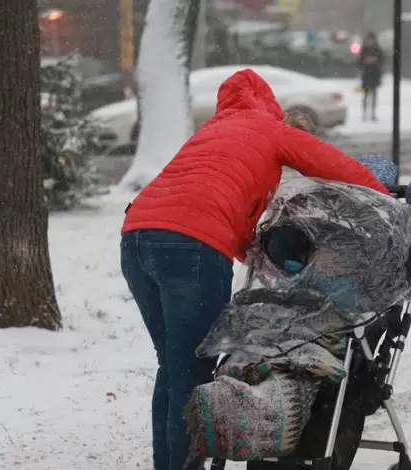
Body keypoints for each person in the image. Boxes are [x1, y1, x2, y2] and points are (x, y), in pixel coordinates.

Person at [120, 68, 389, 470]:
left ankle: (169, 464)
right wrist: (386, 200)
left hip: (136, 237)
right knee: (191, 369)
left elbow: (216, 203)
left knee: (173, 365)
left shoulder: (211, 132)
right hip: (191, 246)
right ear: (271, 106)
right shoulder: (270, 129)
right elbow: (335, 166)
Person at [357, 31, 384, 122]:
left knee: (374, 95)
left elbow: (382, 61)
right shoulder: (364, 49)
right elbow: (359, 62)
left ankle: (373, 114)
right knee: (365, 94)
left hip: (374, 75)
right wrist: (366, 62)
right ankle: (364, 114)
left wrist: (375, 61)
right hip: (367, 74)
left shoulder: (377, 49)